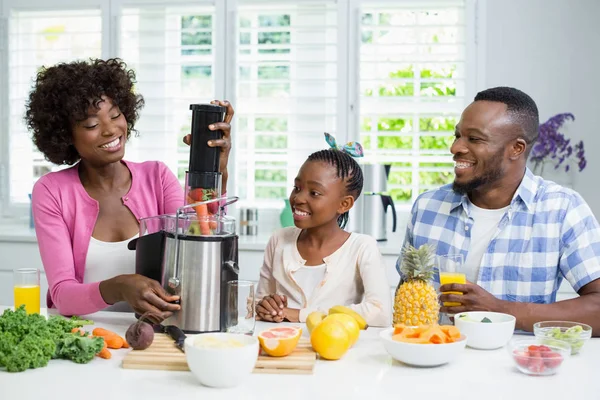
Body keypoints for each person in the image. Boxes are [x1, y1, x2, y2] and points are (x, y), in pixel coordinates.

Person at [26, 58, 235, 321]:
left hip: (156, 333)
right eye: (92, 125)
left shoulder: (156, 176)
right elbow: (63, 296)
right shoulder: (52, 191)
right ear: (65, 135)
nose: (111, 129)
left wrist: (216, 171)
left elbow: (200, 238)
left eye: (115, 115)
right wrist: (119, 287)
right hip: (85, 336)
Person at [398, 86, 600, 335]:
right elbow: (406, 301)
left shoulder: (562, 209)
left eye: (474, 139)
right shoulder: (427, 207)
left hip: (520, 367)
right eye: (457, 135)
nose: (455, 148)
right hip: (436, 360)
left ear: (516, 148)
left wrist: (498, 309)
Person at [255, 133, 392, 327]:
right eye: (297, 187)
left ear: (344, 204)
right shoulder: (279, 240)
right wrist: (265, 307)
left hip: (339, 353)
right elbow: (258, 305)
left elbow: (380, 313)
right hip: (285, 351)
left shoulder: (362, 247)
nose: (298, 198)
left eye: (314, 193)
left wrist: (300, 315)